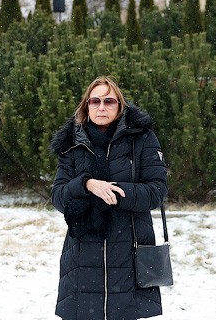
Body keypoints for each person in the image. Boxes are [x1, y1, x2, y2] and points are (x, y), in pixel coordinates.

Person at [50, 76, 168, 320]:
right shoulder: (71, 144)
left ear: (120, 106)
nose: (101, 107)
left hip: (129, 252)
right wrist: (87, 184)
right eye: (94, 101)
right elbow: (58, 196)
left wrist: (114, 192)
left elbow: (157, 192)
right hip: (82, 255)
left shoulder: (142, 139)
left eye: (108, 101)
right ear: (86, 106)